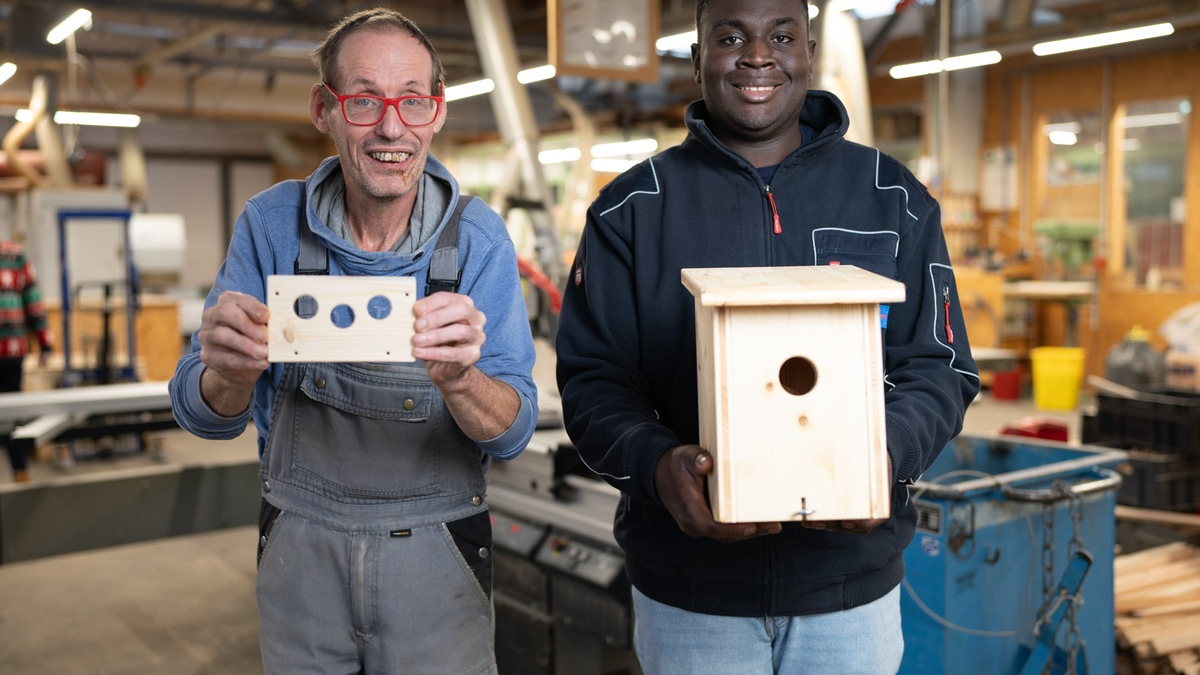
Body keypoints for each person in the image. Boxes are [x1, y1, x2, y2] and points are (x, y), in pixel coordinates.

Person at [554, 0, 980, 673]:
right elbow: (593, 382)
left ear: (809, 53)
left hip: (850, 596)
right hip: (691, 597)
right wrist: (660, 466)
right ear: (697, 60)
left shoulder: (893, 197)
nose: (757, 56)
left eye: (781, 36)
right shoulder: (631, 210)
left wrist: (882, 458)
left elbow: (940, 366)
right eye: (731, 37)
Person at [168, 8, 538, 675]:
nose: (391, 126)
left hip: (436, 560)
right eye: (365, 101)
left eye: (411, 101)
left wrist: (461, 380)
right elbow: (202, 412)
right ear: (324, 109)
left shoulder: (478, 241)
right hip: (301, 558)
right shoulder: (272, 228)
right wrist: (229, 371)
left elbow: (511, 431)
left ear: (436, 111)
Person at [0, 240, 54, 483]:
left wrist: (44, 342)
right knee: (12, 417)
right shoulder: (15, 254)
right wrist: (45, 342)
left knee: (12, 417)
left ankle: (21, 473)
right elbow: (34, 303)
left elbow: (33, 300)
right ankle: (20, 473)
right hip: (12, 348)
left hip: (11, 351)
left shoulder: (16, 255)